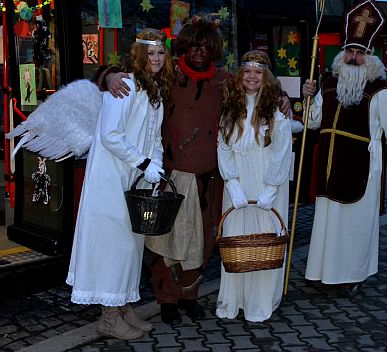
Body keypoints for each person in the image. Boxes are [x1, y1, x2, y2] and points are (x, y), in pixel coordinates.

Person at [101, 18, 292, 325]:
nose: (200, 52)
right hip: (173, 177)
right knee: (170, 242)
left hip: (211, 180)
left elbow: (257, 82)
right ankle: (167, 300)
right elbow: (131, 70)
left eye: (206, 46)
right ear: (185, 47)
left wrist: (282, 97)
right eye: (194, 46)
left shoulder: (224, 80)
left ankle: (190, 296)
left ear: (213, 48)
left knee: (202, 242)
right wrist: (109, 76)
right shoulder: (168, 74)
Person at [66, 28, 174, 340]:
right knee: (113, 246)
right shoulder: (124, 85)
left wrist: (154, 165)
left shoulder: (154, 89)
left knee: (131, 245)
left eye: (160, 53)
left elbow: (154, 136)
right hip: (111, 178)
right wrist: (144, 163)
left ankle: (125, 307)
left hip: (134, 178)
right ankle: (109, 318)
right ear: (139, 55)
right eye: (150, 53)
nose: (155, 59)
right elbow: (110, 135)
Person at [302, 0, 387, 298]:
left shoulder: (380, 90)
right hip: (329, 167)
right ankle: (322, 273)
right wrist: (308, 97)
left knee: (354, 228)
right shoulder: (329, 84)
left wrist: (372, 140)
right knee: (326, 224)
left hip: (361, 169)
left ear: (370, 57)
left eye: (359, 53)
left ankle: (350, 276)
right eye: (349, 51)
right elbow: (312, 124)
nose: (352, 57)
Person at [216, 50, 292, 322]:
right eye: (247, 71)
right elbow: (223, 147)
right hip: (238, 182)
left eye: (258, 72)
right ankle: (234, 300)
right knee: (238, 240)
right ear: (240, 76)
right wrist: (232, 183)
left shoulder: (275, 111)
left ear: (266, 77)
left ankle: (259, 302)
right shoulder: (231, 107)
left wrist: (271, 188)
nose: (251, 77)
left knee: (264, 240)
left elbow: (282, 151)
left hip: (266, 183)